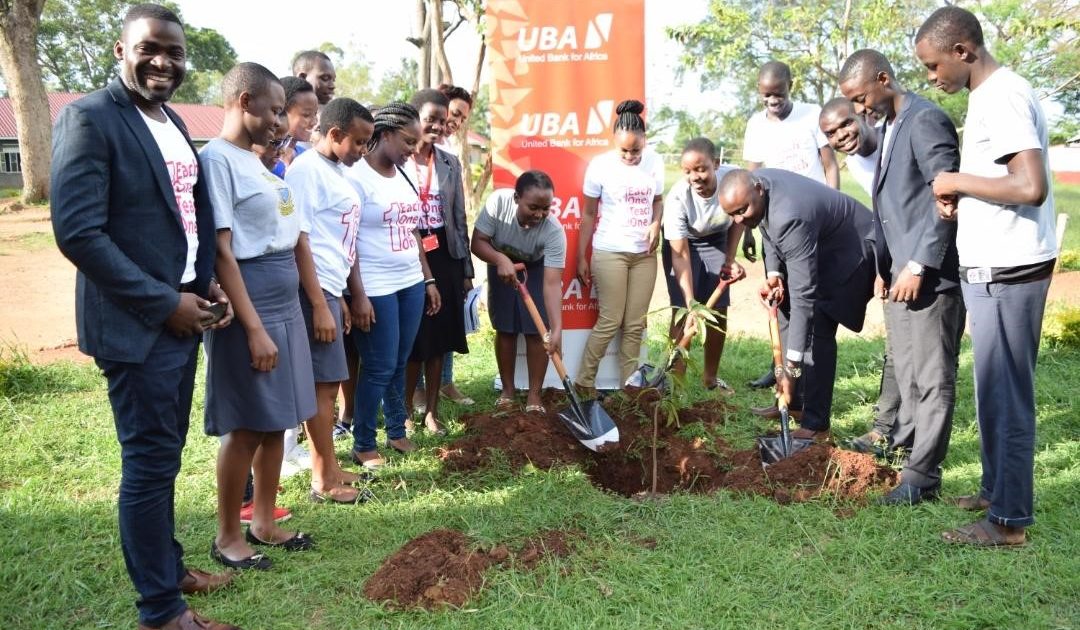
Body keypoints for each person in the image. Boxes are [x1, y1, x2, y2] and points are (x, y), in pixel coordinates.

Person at [50, 4, 238, 629]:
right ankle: (161, 611)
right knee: (150, 461)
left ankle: (169, 568)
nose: (163, 61)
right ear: (120, 50)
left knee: (165, 454)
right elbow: (79, 233)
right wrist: (165, 303)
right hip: (138, 325)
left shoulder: (170, 120)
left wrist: (204, 284)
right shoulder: (90, 118)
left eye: (174, 52)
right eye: (149, 48)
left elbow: (186, 212)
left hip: (183, 311)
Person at [916, 6, 1057, 546]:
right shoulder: (986, 96)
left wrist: (955, 180)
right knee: (991, 389)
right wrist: (963, 196)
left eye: (934, 66)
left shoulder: (1003, 95)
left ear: (963, 51)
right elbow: (999, 181)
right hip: (991, 265)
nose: (932, 78)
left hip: (1010, 268)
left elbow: (1030, 186)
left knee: (1007, 395)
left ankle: (1008, 522)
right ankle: (994, 490)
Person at [201, 62, 316, 571]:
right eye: (273, 110)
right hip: (252, 304)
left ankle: (264, 522)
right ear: (244, 101)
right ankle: (228, 535)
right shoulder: (216, 160)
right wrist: (253, 329)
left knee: (278, 418)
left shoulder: (254, 161)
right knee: (247, 424)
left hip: (284, 301)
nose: (278, 121)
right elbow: (222, 251)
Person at [839, 49, 965, 505]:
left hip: (930, 277)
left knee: (932, 379)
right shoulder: (890, 126)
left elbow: (946, 197)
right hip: (898, 274)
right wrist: (884, 267)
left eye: (860, 98)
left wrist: (918, 264)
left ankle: (923, 477)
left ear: (883, 79)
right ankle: (904, 448)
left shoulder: (925, 120)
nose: (859, 110)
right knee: (908, 371)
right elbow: (891, 207)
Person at [718, 169, 875, 441]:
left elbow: (805, 297)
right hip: (816, 245)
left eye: (742, 210)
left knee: (818, 328)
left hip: (850, 251)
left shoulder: (790, 215)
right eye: (732, 215)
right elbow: (766, 227)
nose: (739, 220)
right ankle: (793, 403)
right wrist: (774, 274)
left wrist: (790, 368)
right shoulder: (757, 190)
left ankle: (816, 424)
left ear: (759, 190)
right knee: (784, 306)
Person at [285, 97, 375, 502]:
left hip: (329, 290)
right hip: (312, 292)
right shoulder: (306, 171)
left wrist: (338, 297)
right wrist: (320, 303)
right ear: (335, 133)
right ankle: (322, 480)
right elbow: (300, 239)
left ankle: (331, 467)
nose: (363, 150)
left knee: (331, 381)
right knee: (322, 388)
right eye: (358, 141)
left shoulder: (336, 171)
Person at [345, 102, 441, 469]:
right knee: (378, 366)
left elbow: (413, 230)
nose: (413, 150)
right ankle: (364, 442)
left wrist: (427, 278)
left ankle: (396, 432)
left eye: (416, 143)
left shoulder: (404, 174)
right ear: (384, 135)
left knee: (399, 362)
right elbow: (348, 240)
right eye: (407, 141)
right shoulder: (355, 177)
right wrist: (358, 294)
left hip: (410, 282)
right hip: (375, 286)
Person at [743, 60, 840, 392]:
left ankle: (805, 368)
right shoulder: (756, 125)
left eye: (779, 94)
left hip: (811, 223)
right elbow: (750, 179)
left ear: (791, 87)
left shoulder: (811, 115)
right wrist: (749, 230)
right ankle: (781, 366)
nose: (773, 101)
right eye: (766, 95)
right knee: (778, 295)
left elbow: (830, 165)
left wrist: (832, 207)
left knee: (807, 297)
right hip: (775, 224)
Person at [817, 97, 901, 456]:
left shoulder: (894, 141)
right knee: (897, 346)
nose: (840, 135)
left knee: (923, 353)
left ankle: (909, 439)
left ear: (864, 115)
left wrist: (915, 264)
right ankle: (887, 428)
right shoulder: (855, 161)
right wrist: (884, 267)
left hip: (932, 254)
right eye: (830, 133)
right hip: (896, 254)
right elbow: (883, 213)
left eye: (845, 124)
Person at [575, 100, 664, 391]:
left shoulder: (656, 161)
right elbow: (589, 214)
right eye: (623, 150)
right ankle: (584, 383)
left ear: (644, 140)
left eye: (635, 150)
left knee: (635, 324)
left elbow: (658, 201)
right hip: (610, 251)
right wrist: (581, 257)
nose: (629, 156)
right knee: (610, 320)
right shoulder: (600, 165)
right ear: (614, 141)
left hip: (644, 255)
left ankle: (630, 388)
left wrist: (655, 223)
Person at [402, 88, 472, 435]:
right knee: (415, 338)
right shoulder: (397, 161)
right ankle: (404, 411)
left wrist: (466, 270)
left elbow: (459, 217)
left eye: (442, 121)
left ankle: (431, 411)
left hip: (445, 254)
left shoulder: (449, 162)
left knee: (440, 338)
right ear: (415, 118)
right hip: (407, 253)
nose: (438, 127)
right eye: (430, 119)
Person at [472, 171, 566, 412]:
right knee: (505, 328)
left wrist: (556, 329)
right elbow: (478, 241)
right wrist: (499, 259)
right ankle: (508, 391)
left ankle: (534, 395)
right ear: (516, 198)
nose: (539, 214)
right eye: (533, 207)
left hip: (534, 266)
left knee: (536, 331)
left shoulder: (554, 231)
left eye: (545, 208)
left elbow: (552, 284)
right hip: (499, 260)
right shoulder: (498, 203)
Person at [662, 138, 746, 390]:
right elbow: (680, 255)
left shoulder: (733, 179)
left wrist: (730, 259)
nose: (694, 177)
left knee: (718, 311)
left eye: (701, 169)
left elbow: (740, 216)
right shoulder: (678, 198)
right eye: (687, 171)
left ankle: (710, 378)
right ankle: (675, 383)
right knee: (682, 312)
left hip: (717, 238)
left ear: (716, 164)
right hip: (683, 243)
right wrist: (690, 302)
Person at [270, 76, 319, 176]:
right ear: (281, 111)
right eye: (306, 115)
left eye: (315, 114)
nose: (314, 122)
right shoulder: (263, 156)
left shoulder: (306, 157)